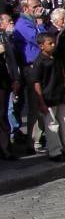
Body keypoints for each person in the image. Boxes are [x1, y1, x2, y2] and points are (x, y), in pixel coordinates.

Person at [31, 33, 65, 162]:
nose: (53, 45)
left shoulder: (56, 57)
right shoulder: (39, 61)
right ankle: (55, 151)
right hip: (49, 97)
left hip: (62, 95)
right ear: (41, 46)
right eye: (49, 43)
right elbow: (36, 82)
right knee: (52, 125)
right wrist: (41, 102)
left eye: (53, 43)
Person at [11, 0, 46, 154]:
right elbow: (40, 40)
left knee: (42, 103)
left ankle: (40, 137)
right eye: (35, 6)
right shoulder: (22, 24)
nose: (39, 8)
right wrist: (40, 24)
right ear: (25, 9)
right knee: (34, 105)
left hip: (41, 65)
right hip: (31, 67)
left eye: (39, 5)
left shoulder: (34, 23)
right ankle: (33, 142)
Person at [0, 18, 20, 160]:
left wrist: (15, 79)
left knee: (3, 115)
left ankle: (5, 148)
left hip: (5, 81)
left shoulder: (5, 37)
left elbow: (11, 61)